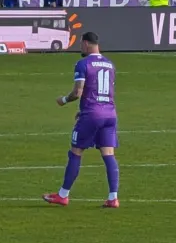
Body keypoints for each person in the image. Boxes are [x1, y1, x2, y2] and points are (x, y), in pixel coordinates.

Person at [43, 31, 120, 208]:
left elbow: (78, 92)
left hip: (92, 114)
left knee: (76, 152)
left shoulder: (83, 63)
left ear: (86, 43)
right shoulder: (110, 64)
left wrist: (63, 100)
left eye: (80, 44)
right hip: (110, 114)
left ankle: (63, 195)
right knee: (108, 154)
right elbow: (106, 91)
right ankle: (113, 198)